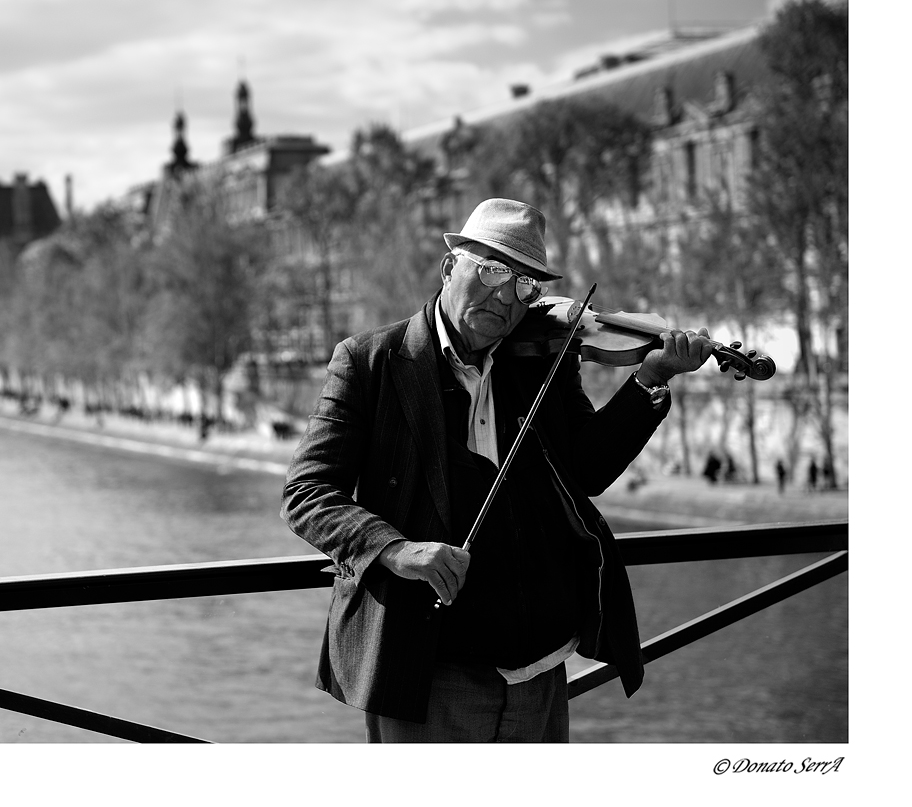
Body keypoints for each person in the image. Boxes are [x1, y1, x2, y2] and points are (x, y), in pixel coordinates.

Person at [280, 198, 715, 743]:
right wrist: (395, 549)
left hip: (539, 670)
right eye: (490, 270)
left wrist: (650, 379)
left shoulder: (541, 360)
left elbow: (588, 469)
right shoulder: (369, 362)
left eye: (525, 287)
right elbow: (307, 492)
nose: (505, 297)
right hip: (429, 667)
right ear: (448, 268)